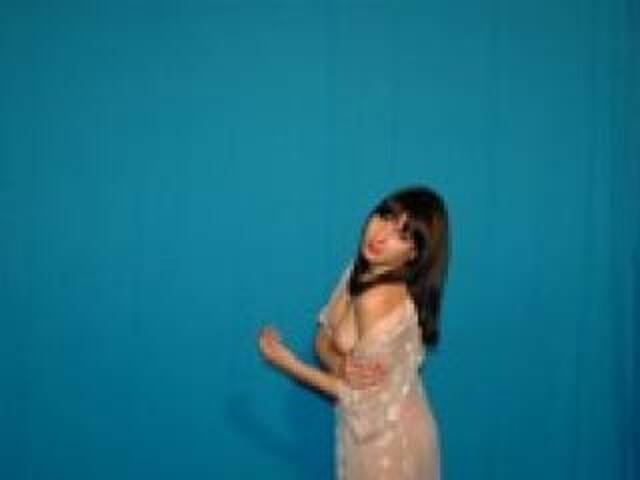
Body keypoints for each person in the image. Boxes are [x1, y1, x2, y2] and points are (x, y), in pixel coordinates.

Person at [257, 185, 450, 479]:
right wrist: (339, 365)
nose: (381, 236)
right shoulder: (362, 269)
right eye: (385, 217)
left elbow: (357, 398)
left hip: (392, 438)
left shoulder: (377, 298)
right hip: (367, 427)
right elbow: (324, 335)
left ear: (414, 253)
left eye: (402, 235)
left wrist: (286, 362)